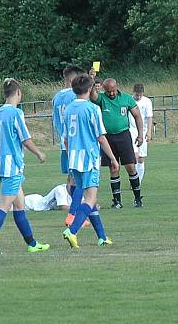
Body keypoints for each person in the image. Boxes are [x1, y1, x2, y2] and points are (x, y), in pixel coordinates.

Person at [0, 78, 49, 255]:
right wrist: (39, 153)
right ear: (18, 93)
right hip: (12, 166)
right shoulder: (16, 114)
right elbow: (25, 138)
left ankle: (31, 243)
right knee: (3, 205)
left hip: (0, 164)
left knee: (19, 206)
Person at [61, 73, 120, 248]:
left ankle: (102, 237)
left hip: (74, 159)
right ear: (90, 89)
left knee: (88, 198)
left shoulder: (68, 108)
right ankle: (72, 231)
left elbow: (65, 139)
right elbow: (101, 137)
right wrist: (112, 159)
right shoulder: (92, 109)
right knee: (91, 198)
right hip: (89, 158)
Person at [91, 77, 144, 208]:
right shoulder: (102, 99)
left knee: (131, 167)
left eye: (113, 90)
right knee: (114, 168)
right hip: (108, 138)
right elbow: (92, 95)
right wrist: (91, 78)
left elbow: (137, 116)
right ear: (104, 90)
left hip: (124, 135)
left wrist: (140, 135)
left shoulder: (126, 98)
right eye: (109, 91)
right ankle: (117, 201)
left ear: (117, 87)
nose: (112, 94)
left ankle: (138, 199)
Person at [52, 65, 85, 227]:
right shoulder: (74, 97)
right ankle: (76, 212)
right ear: (73, 80)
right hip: (75, 144)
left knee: (71, 178)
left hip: (63, 142)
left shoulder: (56, 98)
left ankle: (76, 209)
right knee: (78, 179)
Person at [0, 184, 73, 213]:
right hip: (32, 204)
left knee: (1, 203)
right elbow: (63, 207)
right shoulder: (60, 189)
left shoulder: (76, 192)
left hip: (36, 199)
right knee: (1, 207)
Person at [129, 84, 153, 183]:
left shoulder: (147, 101)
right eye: (136, 95)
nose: (138, 97)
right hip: (131, 130)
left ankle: (138, 181)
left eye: (140, 95)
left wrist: (149, 132)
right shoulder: (128, 100)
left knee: (141, 158)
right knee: (134, 156)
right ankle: (134, 180)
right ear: (133, 92)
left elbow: (149, 117)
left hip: (142, 131)